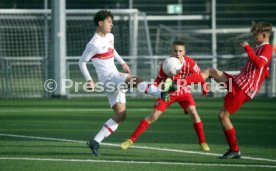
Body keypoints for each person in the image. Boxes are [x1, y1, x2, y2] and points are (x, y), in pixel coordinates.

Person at [79, 10, 173, 156]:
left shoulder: (110, 36)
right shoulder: (93, 43)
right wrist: (89, 80)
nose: (112, 24)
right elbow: (82, 62)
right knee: (135, 80)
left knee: (121, 115)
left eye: (112, 21)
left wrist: (122, 62)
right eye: (109, 21)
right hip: (109, 78)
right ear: (100, 23)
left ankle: (95, 141)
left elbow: (112, 49)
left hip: (115, 76)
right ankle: (161, 93)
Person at [200, 21, 273, 159]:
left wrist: (247, 48)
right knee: (211, 71)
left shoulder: (267, 48)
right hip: (239, 81)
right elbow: (263, 68)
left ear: (264, 35)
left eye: (255, 34)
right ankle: (182, 85)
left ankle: (235, 149)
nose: (253, 37)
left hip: (244, 87)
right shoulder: (260, 47)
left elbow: (260, 63)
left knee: (223, 116)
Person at [120, 40, 210, 151]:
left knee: (193, 111)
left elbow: (199, 75)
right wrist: (152, 88)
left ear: (184, 52)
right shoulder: (166, 63)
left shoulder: (190, 62)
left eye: (180, 51)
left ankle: (203, 142)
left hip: (184, 91)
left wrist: (204, 86)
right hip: (169, 92)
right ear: (171, 51)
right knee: (154, 116)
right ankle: (131, 140)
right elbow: (158, 79)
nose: (177, 53)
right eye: (175, 50)